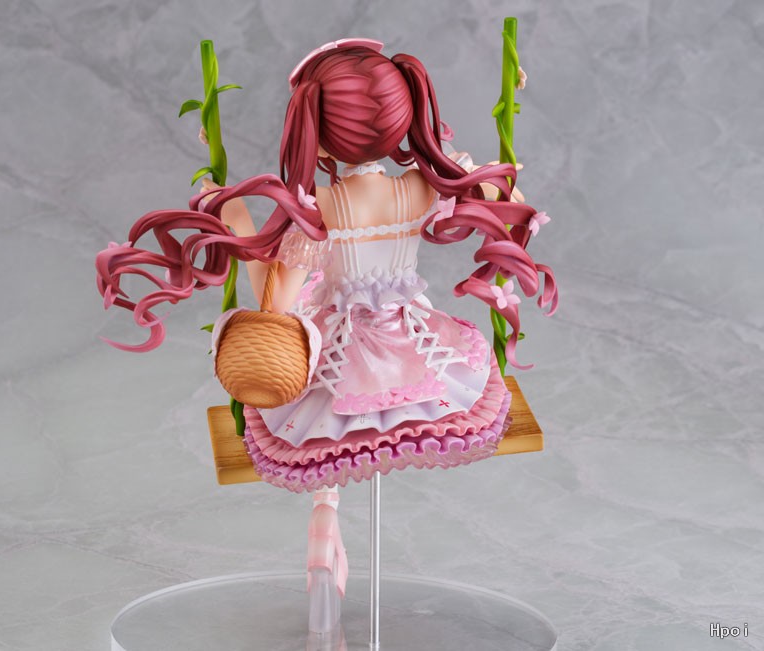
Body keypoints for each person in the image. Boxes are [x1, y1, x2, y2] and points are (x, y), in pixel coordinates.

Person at [96, 38, 558, 632]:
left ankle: (325, 517)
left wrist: (234, 218)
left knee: (319, 417)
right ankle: (329, 515)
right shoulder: (421, 188)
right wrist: (465, 165)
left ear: (312, 130)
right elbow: (510, 202)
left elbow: (276, 307)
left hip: (340, 355)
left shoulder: (318, 210)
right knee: (382, 411)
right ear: (402, 117)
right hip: (418, 348)